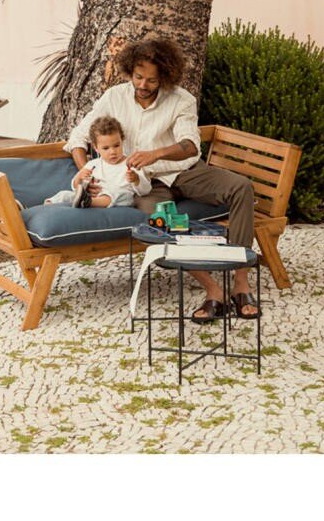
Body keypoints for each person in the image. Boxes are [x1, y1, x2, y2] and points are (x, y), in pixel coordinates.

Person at [64, 37, 260, 322]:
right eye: (138, 77)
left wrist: (155, 154)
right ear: (130, 70)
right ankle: (213, 290)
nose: (143, 85)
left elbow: (190, 145)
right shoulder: (114, 98)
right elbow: (78, 138)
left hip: (185, 171)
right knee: (160, 221)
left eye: (152, 81)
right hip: (144, 182)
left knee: (241, 188)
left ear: (165, 78)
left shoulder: (182, 99)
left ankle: (241, 283)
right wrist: (85, 174)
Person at [44, 116, 150, 208]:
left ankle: (89, 203)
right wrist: (79, 177)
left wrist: (136, 179)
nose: (112, 152)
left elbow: (145, 190)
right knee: (65, 194)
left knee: (123, 195)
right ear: (96, 148)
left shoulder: (131, 164)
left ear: (122, 141)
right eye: (106, 148)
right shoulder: (93, 165)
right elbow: (76, 187)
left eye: (116, 145)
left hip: (114, 199)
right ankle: (47, 205)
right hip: (92, 197)